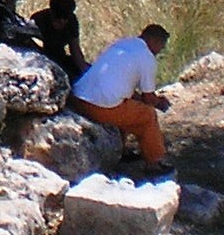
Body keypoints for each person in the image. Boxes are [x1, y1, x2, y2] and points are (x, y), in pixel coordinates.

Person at [68, 22, 172, 171]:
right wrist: (160, 103)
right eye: (161, 47)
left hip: (78, 98)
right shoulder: (147, 57)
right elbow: (149, 99)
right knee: (148, 115)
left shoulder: (122, 44)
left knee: (126, 105)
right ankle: (153, 163)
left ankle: (122, 151)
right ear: (154, 41)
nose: (160, 51)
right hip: (100, 106)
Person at [31, 0, 87, 78]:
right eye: (58, 19)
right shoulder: (38, 21)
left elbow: (75, 50)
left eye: (65, 18)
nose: (63, 22)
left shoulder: (71, 21)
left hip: (61, 57)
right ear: (52, 13)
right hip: (42, 59)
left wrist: (86, 73)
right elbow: (33, 49)